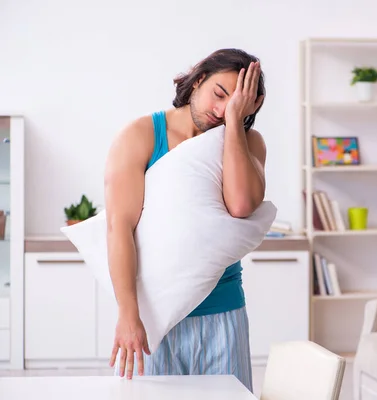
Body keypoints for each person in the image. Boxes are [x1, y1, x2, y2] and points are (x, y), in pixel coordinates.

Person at [103, 48, 267, 391]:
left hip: (223, 312)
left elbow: (241, 206)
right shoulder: (142, 135)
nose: (220, 111)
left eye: (235, 105)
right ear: (198, 80)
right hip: (156, 316)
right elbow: (120, 227)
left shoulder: (248, 142)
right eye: (219, 95)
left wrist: (235, 123)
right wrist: (128, 313)